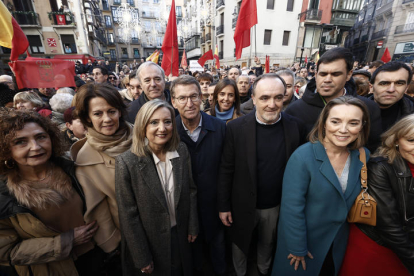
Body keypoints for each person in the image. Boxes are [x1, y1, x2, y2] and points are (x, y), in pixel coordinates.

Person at [218, 74, 307, 276]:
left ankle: (263, 270)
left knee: (267, 243)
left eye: (278, 97)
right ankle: (240, 273)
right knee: (239, 244)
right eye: (265, 98)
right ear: (254, 98)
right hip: (241, 203)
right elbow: (226, 168)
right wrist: (223, 206)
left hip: (276, 205)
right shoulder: (235, 128)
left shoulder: (296, 126)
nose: (272, 104)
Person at [272, 96, 371, 275]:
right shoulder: (303, 157)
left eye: (353, 123)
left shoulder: (363, 157)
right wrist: (296, 247)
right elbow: (292, 208)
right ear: (324, 123)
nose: (343, 129)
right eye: (336, 121)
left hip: (340, 244)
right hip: (305, 244)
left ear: (362, 126)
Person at [0, 109, 101, 275]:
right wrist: (66, 242)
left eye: (40, 137)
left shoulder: (73, 168)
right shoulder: (4, 195)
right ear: (6, 149)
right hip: (52, 269)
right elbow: (7, 251)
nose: (36, 147)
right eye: (20, 142)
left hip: (97, 260)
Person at [116, 99, 198, 276]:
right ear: (142, 126)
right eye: (154, 122)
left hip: (180, 234)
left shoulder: (181, 150)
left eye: (167, 121)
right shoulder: (127, 161)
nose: (162, 128)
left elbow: (190, 190)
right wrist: (141, 257)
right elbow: (128, 215)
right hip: (149, 242)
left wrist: (192, 225)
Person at [340, 114, 414, 276]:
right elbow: (388, 225)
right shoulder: (380, 167)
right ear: (396, 140)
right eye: (411, 141)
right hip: (378, 246)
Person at [71, 83, 132, 273]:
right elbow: (98, 212)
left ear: (120, 112)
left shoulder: (140, 134)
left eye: (112, 111)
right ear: (87, 118)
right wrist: (115, 246)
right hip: (128, 242)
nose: (107, 119)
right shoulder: (85, 159)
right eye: (98, 114)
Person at [170, 76, 227, 275]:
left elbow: (226, 169)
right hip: (184, 211)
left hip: (215, 207)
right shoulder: (168, 132)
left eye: (194, 96)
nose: (189, 103)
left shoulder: (219, 127)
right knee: (193, 258)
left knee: (218, 252)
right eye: (183, 98)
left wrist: (224, 205)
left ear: (201, 97)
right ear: (173, 102)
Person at [285, 47, 382, 152]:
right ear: (316, 74)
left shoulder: (368, 108)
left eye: (335, 74)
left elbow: (373, 149)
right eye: (323, 74)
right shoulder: (295, 110)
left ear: (349, 74)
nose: (327, 80)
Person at [368, 61, 414, 133]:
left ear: (406, 88)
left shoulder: (411, 113)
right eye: (384, 83)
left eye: (399, 83)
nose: (391, 89)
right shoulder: (354, 109)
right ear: (371, 87)